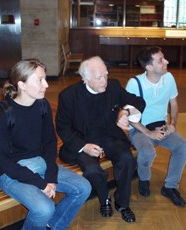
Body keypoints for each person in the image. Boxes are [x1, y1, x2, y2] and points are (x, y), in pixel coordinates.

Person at [0, 59, 91, 230]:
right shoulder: (3, 112)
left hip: (40, 163)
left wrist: (50, 178)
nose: (46, 84)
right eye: (39, 80)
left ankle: (53, 226)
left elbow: (50, 144)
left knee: (83, 187)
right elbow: (4, 161)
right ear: (22, 84)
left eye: (45, 79)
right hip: (11, 171)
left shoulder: (42, 106)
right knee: (44, 208)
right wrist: (41, 183)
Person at [55, 56, 146, 223]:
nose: (104, 81)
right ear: (85, 79)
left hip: (110, 138)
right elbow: (63, 127)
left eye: (106, 75)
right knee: (91, 170)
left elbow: (138, 102)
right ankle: (104, 199)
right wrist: (83, 146)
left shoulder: (113, 86)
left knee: (127, 159)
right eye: (99, 78)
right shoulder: (69, 96)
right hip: (83, 141)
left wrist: (125, 112)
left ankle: (122, 203)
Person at [125, 46, 186, 207]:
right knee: (147, 152)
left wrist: (173, 124)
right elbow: (129, 115)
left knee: (182, 146)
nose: (166, 61)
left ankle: (170, 187)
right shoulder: (134, 83)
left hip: (162, 125)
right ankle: (144, 179)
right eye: (161, 60)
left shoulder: (169, 78)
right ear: (149, 67)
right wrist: (148, 132)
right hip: (139, 128)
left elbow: (173, 103)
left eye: (164, 58)